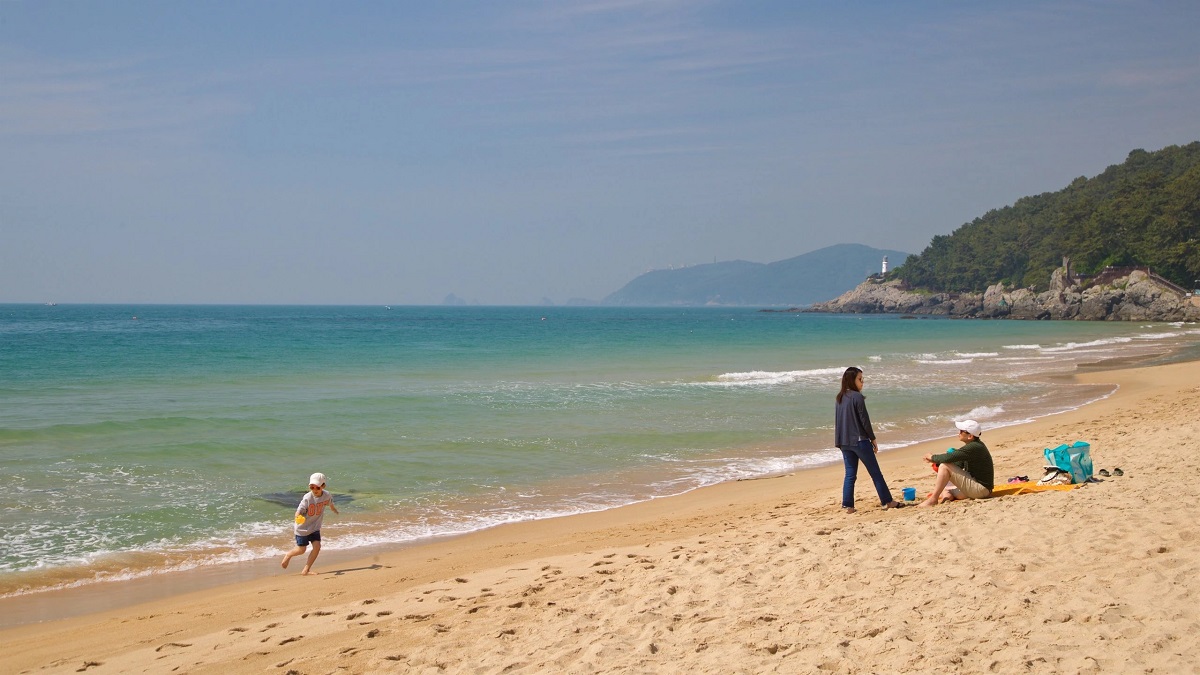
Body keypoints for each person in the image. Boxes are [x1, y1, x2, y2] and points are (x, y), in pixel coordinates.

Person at [835, 366, 903, 513]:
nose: (862, 382)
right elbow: (864, 420)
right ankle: (887, 501)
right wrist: (872, 439)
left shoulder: (839, 398)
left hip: (845, 442)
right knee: (875, 473)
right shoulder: (857, 397)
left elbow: (838, 422)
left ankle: (848, 506)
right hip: (859, 441)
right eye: (860, 379)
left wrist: (839, 442)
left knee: (850, 474)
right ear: (851, 380)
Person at [919, 420, 994, 507]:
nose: (959, 433)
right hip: (978, 488)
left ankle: (933, 499)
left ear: (970, 436)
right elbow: (958, 464)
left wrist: (932, 457)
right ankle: (947, 496)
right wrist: (936, 462)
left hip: (981, 490)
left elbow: (948, 459)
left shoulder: (974, 447)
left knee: (944, 466)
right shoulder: (973, 446)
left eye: (961, 431)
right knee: (946, 487)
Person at [281, 472, 339, 575]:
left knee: (317, 547)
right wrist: (298, 517)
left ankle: (306, 569)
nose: (315, 490)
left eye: (317, 487)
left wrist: (334, 509)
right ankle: (288, 555)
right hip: (302, 528)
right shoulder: (307, 498)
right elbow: (299, 511)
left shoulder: (326, 495)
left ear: (323, 486)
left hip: (315, 527)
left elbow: (330, 503)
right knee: (301, 550)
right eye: (312, 487)